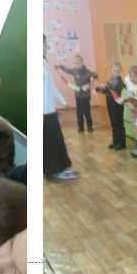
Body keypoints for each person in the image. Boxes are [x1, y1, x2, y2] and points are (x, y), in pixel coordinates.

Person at [41, 38, 78, 180]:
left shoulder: (43, 62)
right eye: (45, 44)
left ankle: (57, 169)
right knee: (51, 142)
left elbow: (51, 86)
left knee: (54, 140)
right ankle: (56, 170)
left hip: (49, 110)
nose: (46, 46)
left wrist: (63, 101)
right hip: (44, 112)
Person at [56, 55, 98, 133]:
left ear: (82, 63)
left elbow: (95, 74)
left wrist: (92, 77)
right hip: (78, 96)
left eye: (77, 63)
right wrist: (60, 66)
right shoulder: (74, 71)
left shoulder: (87, 72)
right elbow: (66, 70)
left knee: (86, 112)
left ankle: (89, 127)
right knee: (79, 113)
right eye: (74, 63)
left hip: (85, 96)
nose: (75, 65)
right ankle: (80, 127)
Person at [98, 62, 127, 150]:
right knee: (113, 123)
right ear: (111, 70)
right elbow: (107, 92)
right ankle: (115, 141)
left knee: (118, 123)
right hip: (110, 102)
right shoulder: (110, 79)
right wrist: (100, 90)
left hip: (117, 104)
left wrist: (105, 88)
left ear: (120, 71)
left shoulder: (119, 81)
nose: (116, 73)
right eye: (114, 71)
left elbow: (114, 92)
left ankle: (121, 143)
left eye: (118, 71)